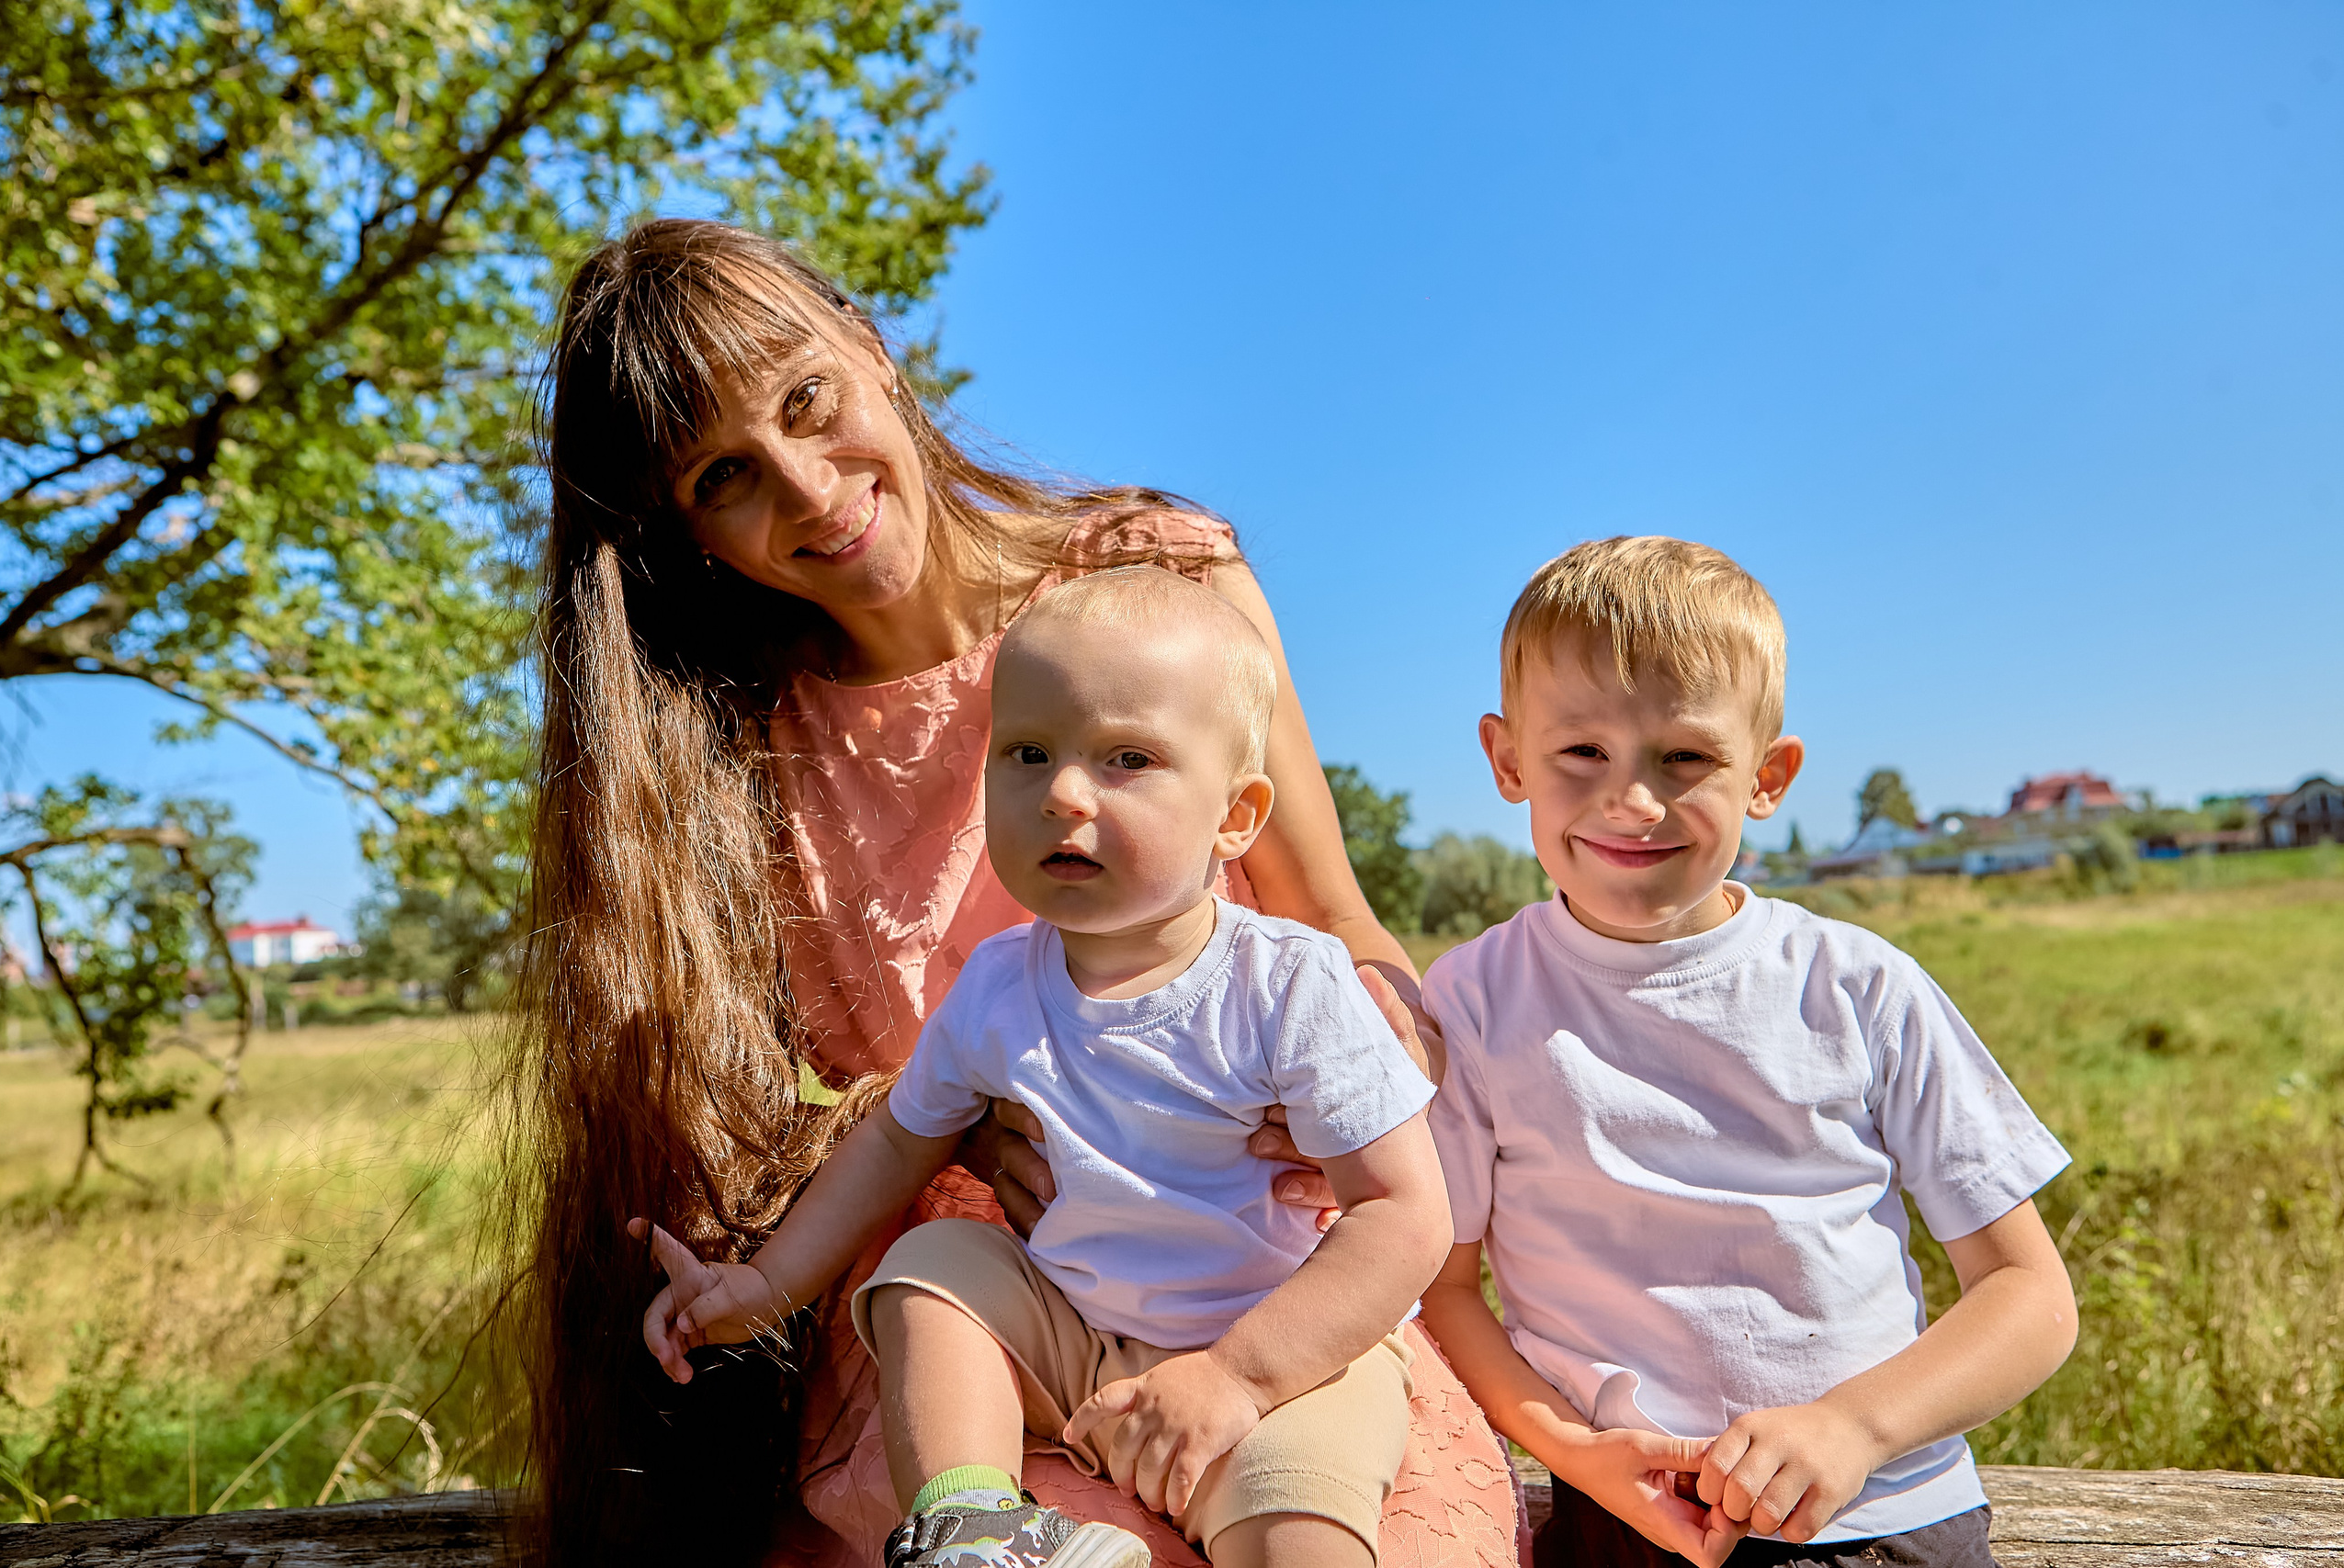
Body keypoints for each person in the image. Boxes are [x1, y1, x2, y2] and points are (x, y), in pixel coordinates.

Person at [515, 217, 1517, 1568]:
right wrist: (966, 1121)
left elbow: (1329, 910)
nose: (810, 489)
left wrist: (1371, 1044)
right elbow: (795, 1107)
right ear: (689, 535)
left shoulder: (1156, 581)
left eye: (811, 401)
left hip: (1260, 1263)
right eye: (728, 476)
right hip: (988, 1326)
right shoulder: (734, 742)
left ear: (872, 345)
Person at [635, 567, 1452, 1568]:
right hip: (1076, 1327)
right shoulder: (998, 984)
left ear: (1235, 817)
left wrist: (1235, 1379)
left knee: (1299, 1531)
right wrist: (765, 1283)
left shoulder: (1286, 983)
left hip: (1283, 1347)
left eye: (1127, 759)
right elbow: (897, 1138)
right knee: (932, 1272)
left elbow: (1406, 1215)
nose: (1062, 792)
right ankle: (971, 1527)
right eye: (1027, 752)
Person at [1417, 536, 2078, 1568]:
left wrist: (1852, 1429)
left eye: (1684, 760)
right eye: (1579, 754)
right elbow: (1445, 1289)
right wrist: (1574, 1452)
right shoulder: (1469, 1001)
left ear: (1768, 775)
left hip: (1886, 1517)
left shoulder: (1858, 986)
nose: (1631, 803)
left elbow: (2029, 1298)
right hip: (1622, 1518)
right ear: (1507, 761)